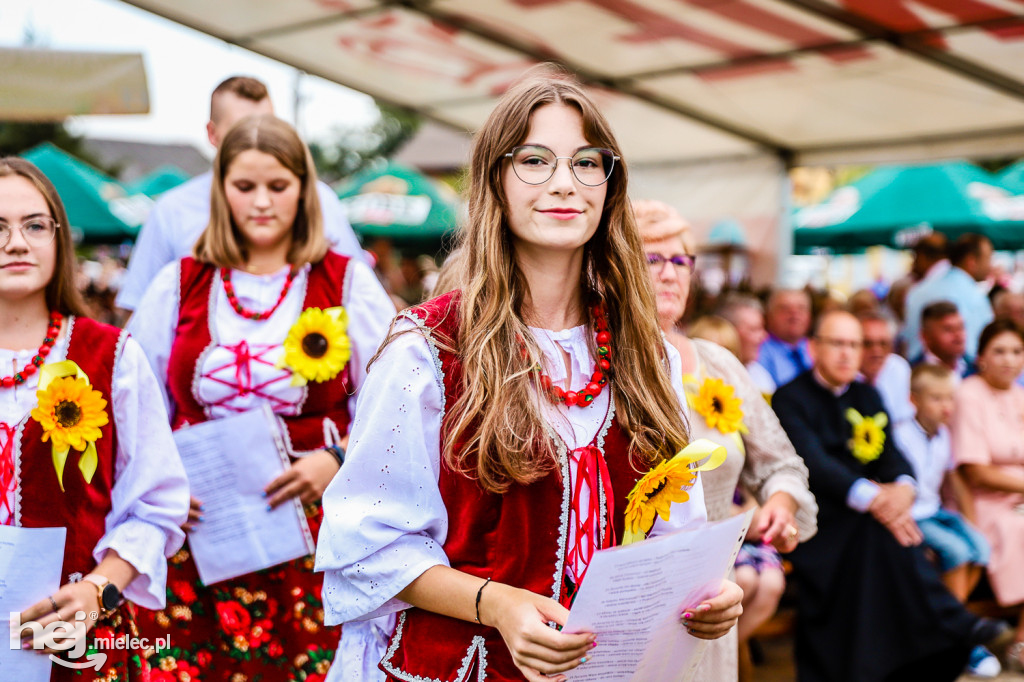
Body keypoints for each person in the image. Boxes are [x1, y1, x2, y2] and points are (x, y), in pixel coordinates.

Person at [315, 68, 743, 682]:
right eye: (535, 161)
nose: (565, 183)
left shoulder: (648, 354)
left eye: (586, 163)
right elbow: (369, 548)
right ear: (496, 180)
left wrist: (707, 593)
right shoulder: (427, 349)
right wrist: (499, 603)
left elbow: (672, 532)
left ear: (609, 184)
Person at [127, 115, 395, 680]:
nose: (262, 203)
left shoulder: (346, 281)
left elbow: (397, 405)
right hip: (199, 529)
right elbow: (135, 409)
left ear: (304, 189)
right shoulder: (179, 282)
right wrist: (162, 482)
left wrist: (339, 458)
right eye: (244, 186)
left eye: (278, 186)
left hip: (318, 527)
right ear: (221, 190)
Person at [1, 157, 189, 680]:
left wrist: (96, 589)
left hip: (72, 642)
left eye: (34, 225)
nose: (16, 243)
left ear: (59, 239)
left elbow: (157, 504)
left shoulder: (109, 356)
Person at [773, 310, 1012, 682]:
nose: (847, 353)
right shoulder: (791, 398)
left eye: (855, 345)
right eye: (837, 343)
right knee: (887, 534)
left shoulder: (867, 394)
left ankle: (911, 655)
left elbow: (892, 455)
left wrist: (903, 487)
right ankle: (958, 626)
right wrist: (878, 500)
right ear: (813, 347)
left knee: (891, 534)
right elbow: (813, 463)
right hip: (817, 520)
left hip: (869, 517)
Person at [635, 198, 817, 681]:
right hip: (629, 595)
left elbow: (780, 462)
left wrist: (779, 501)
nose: (670, 274)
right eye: (651, 259)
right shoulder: (593, 366)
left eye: (680, 261)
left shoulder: (718, 363)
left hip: (713, 593)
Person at [116, 75, 365, 312]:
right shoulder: (173, 209)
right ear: (212, 134)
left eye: (268, 126)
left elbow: (355, 291)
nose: (257, 138)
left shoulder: (319, 199)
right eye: (241, 130)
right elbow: (140, 313)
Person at [894, 364, 998, 677]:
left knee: (980, 547)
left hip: (935, 510)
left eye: (949, 399)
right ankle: (958, 631)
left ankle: (950, 623)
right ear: (914, 400)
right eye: (936, 398)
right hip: (913, 515)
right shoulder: (901, 434)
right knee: (956, 552)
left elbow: (953, 480)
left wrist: (968, 521)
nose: (945, 406)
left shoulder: (944, 436)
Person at [952, 319, 1024, 670]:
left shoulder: (1020, 394)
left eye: (1016, 351)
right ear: (981, 357)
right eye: (999, 351)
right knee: (1018, 529)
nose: (1009, 360)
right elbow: (974, 470)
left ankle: (1022, 637)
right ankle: (1020, 645)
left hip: (1018, 497)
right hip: (982, 500)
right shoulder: (969, 393)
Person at [904, 233, 993, 360]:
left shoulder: (917, 291)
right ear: (971, 262)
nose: (991, 265)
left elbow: (907, 341)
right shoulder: (973, 295)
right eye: (989, 258)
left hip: (920, 370)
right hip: (958, 372)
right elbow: (978, 346)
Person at [858, 310, 913, 426]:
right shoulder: (844, 371)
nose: (876, 350)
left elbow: (904, 420)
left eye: (883, 344)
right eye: (867, 343)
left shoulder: (899, 368)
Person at [717, 293, 775, 396]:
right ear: (728, 332)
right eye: (754, 329)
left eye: (762, 328)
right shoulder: (710, 374)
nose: (764, 336)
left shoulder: (760, 375)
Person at [758, 288, 813, 389]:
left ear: (810, 316)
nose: (794, 314)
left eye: (801, 308)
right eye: (784, 308)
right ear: (768, 316)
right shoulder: (758, 350)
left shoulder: (819, 348)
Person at [913, 300, 974, 383]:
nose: (958, 334)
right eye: (948, 329)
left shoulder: (976, 369)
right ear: (925, 336)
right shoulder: (911, 373)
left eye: (961, 327)